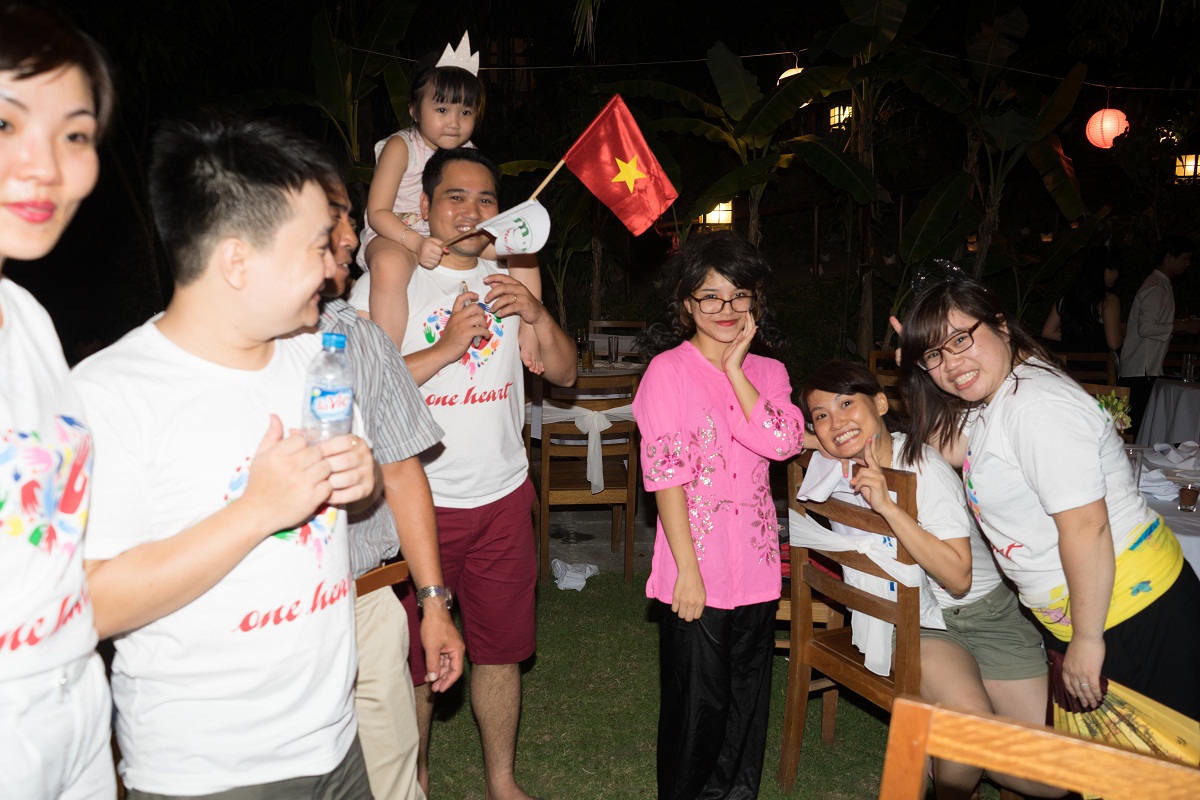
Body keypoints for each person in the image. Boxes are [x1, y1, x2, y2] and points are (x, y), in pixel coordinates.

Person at [72, 117, 378, 797]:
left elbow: (355, 485)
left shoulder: (313, 357)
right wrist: (255, 512)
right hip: (213, 771)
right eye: (316, 246)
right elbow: (91, 603)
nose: (334, 264)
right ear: (237, 262)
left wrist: (364, 476)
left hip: (336, 743)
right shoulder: (111, 394)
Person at [897, 276, 1200, 722]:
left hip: (1130, 613)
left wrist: (1087, 639)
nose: (952, 363)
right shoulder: (1001, 393)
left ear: (1000, 324)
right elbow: (950, 445)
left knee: (1165, 758)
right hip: (1097, 612)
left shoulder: (1036, 406)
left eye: (960, 339)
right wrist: (913, 372)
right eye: (935, 355)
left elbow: (1086, 526)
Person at [398, 145, 576, 800]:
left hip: (503, 498)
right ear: (425, 205)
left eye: (486, 199)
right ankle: (413, 780)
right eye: (455, 196)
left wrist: (536, 314)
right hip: (420, 503)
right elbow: (369, 385)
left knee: (501, 651)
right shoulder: (394, 277)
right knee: (416, 661)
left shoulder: (510, 272)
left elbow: (565, 372)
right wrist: (448, 347)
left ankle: (502, 781)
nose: (472, 211)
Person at [800, 361, 1057, 800]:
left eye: (847, 404)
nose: (837, 422)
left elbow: (958, 577)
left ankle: (951, 758)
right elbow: (780, 434)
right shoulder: (835, 459)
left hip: (990, 615)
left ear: (881, 403)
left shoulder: (923, 466)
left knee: (1050, 782)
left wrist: (889, 508)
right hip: (921, 622)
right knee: (969, 728)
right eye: (821, 415)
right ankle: (957, 759)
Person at [632, 232, 805, 800]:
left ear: (756, 301)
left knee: (745, 702)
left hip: (755, 566)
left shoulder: (770, 373)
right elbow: (666, 476)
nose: (726, 309)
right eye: (710, 296)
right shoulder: (667, 372)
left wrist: (735, 370)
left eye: (739, 295)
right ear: (687, 302)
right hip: (696, 566)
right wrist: (687, 570)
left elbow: (782, 443)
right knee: (696, 708)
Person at [0, 5, 116, 799]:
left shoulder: (28, 318)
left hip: (71, 692)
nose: (44, 165)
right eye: (5, 123)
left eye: (74, 134)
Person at [319, 175, 466, 800]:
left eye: (350, 216)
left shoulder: (360, 339)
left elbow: (403, 471)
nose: (352, 236)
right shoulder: (181, 363)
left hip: (368, 599)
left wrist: (433, 604)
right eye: (331, 218)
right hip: (258, 617)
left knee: (393, 778)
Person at [350, 32, 542, 370]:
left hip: (454, 236)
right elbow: (377, 212)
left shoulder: (469, 154)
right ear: (414, 109)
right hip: (398, 235)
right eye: (441, 109)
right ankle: (389, 361)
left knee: (521, 246)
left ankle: (530, 327)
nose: (454, 122)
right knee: (389, 266)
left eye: (465, 111)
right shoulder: (401, 146)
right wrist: (415, 241)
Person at [1118, 234, 1200, 419]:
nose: (1188, 264)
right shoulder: (1156, 287)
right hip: (1141, 370)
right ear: (1169, 256)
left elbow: (1154, 323)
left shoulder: (1160, 284)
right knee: (1135, 424)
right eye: (1185, 258)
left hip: (1143, 369)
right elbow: (1146, 328)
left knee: (1137, 424)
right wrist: (1184, 325)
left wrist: (1183, 323)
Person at [1041, 245, 1122, 354]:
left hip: (1067, 362)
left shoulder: (1067, 298)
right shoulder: (1108, 300)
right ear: (1105, 271)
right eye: (1116, 270)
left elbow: (1047, 332)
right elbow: (1114, 343)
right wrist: (1122, 330)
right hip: (1097, 363)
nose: (1117, 274)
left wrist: (1076, 341)